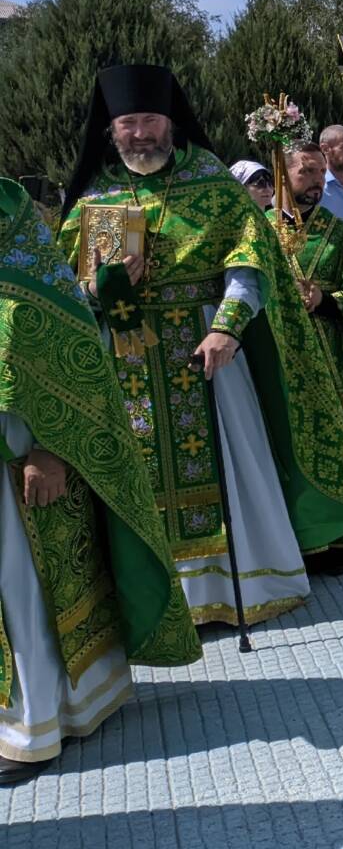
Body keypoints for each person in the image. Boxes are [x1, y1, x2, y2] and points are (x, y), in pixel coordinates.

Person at [58, 65, 343, 626]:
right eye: (128, 123)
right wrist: (100, 285)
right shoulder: (99, 197)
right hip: (127, 357)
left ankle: (247, 584)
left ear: (170, 123)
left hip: (211, 353)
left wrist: (227, 327)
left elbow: (249, 264)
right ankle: (165, 600)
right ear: (111, 130)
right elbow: (73, 289)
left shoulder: (209, 180)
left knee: (234, 463)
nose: (140, 134)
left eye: (150, 121)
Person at [0, 178, 200, 784]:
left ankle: (29, 724)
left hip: (17, 468)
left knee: (22, 592)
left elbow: (75, 372)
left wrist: (49, 450)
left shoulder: (29, 281)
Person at [277, 142, 343, 572]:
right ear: (281, 174)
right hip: (276, 360)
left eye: (321, 173)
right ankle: (289, 541)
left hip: (329, 359)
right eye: (306, 173)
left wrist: (325, 298)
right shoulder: (256, 234)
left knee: (337, 438)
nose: (318, 183)